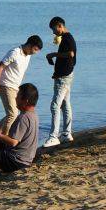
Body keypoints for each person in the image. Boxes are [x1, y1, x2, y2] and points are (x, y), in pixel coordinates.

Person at [0, 35, 43, 134]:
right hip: (6, 85)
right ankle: (4, 139)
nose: (35, 53)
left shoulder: (28, 55)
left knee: (13, 113)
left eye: (37, 51)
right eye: (35, 49)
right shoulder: (14, 52)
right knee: (13, 114)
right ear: (29, 45)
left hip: (16, 87)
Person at [42, 17, 76, 148]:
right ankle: (67, 133)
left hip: (64, 77)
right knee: (65, 104)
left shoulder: (67, 38)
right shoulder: (67, 38)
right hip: (65, 75)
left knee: (55, 106)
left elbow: (71, 54)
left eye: (54, 29)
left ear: (60, 25)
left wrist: (53, 55)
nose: (53, 32)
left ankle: (53, 136)